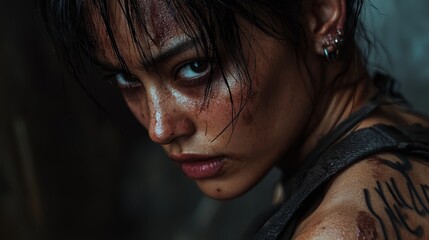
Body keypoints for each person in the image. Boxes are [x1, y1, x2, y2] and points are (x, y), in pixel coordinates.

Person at [39, 0, 429, 239]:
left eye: (195, 66)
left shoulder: (340, 230)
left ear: (320, 12)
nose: (159, 127)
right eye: (126, 79)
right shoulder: (398, 134)